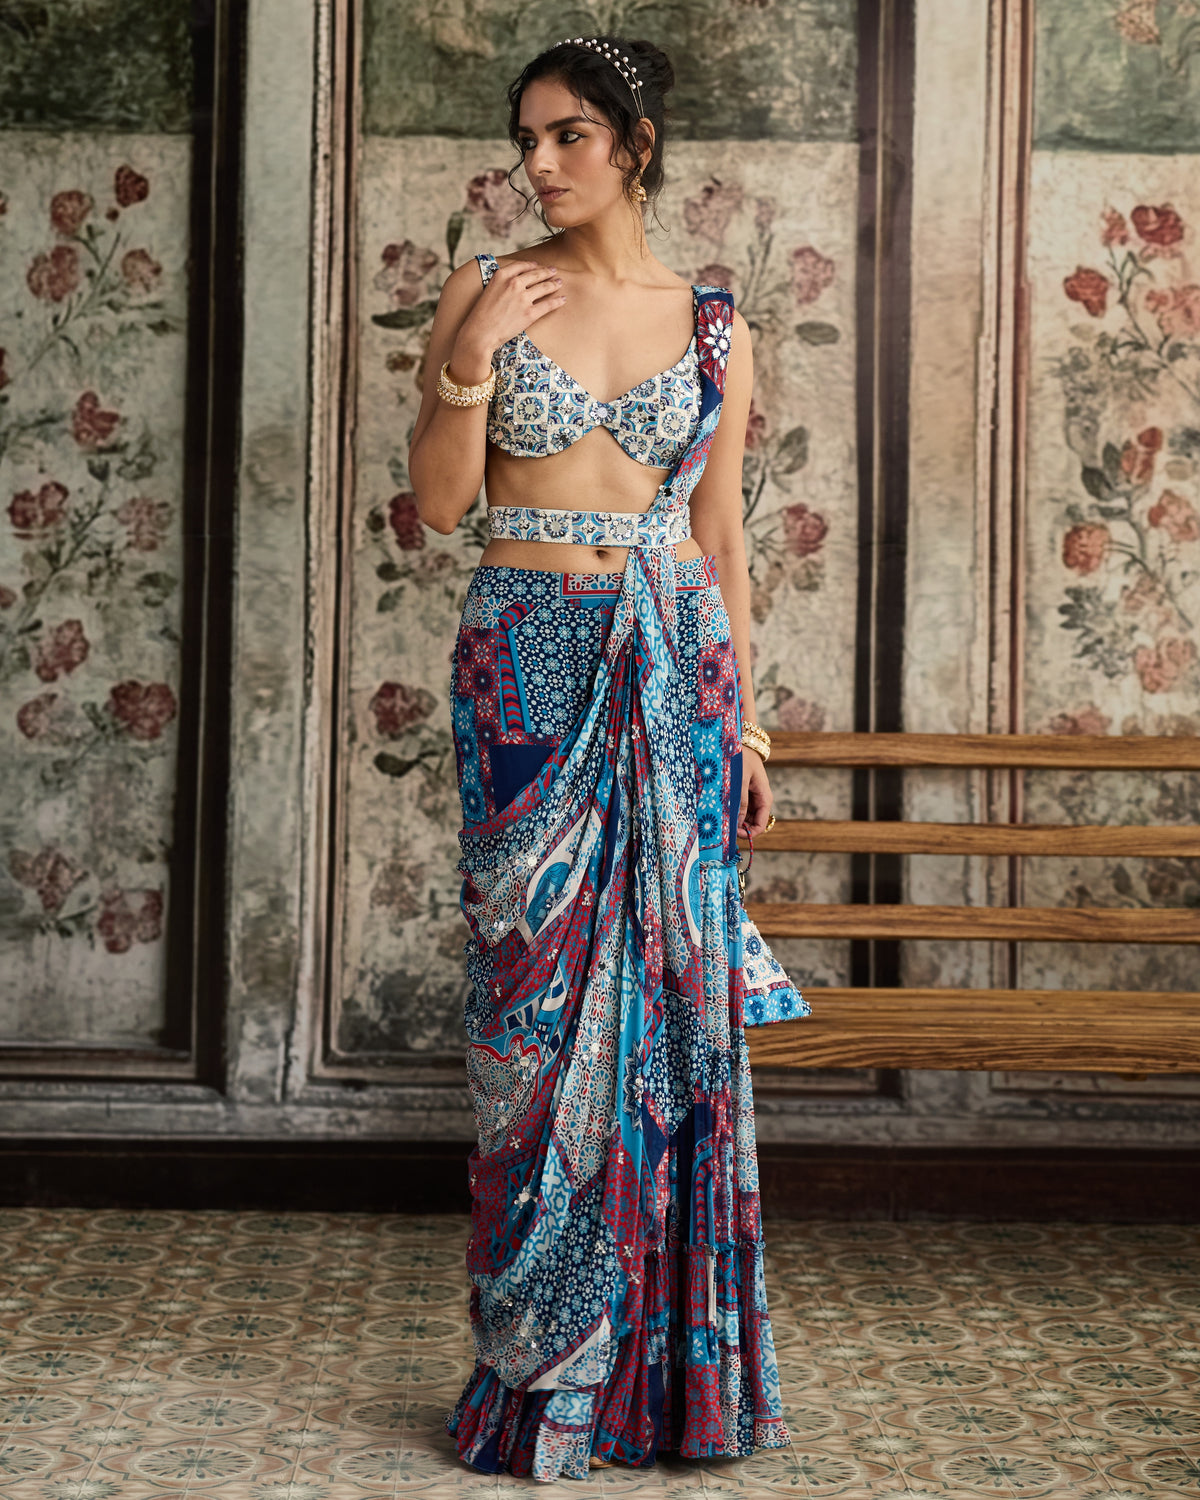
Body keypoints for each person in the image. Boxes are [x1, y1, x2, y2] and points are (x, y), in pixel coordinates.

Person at [408, 34, 811, 1484]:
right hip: (524, 663)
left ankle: (663, 1385)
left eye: (567, 135)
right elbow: (439, 505)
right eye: (526, 139)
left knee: (672, 1017)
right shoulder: (487, 288)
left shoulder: (714, 327)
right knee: (530, 1020)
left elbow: (721, 537)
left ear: (635, 144)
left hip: (671, 671)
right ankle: (539, 1372)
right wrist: (466, 363)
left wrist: (744, 722)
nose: (538, 164)